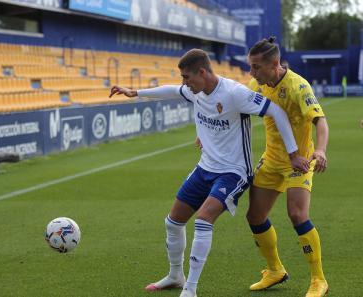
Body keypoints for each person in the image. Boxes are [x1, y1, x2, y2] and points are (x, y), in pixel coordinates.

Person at [110, 49, 307, 297]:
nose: (184, 83)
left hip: (234, 172)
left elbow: (276, 111)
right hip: (205, 168)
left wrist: (293, 153)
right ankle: (175, 276)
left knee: (203, 220)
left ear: (202, 72)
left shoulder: (235, 93)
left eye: (187, 77)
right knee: (173, 222)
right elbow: (172, 90)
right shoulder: (196, 91)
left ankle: (190, 289)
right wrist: (135, 92)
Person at [246, 37, 329, 297]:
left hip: (299, 161)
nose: (252, 72)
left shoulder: (298, 85)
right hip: (271, 160)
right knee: (255, 216)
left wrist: (320, 150)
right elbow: (235, 110)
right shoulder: (256, 85)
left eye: (256, 67)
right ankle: (275, 270)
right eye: (250, 67)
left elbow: (321, 121)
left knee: (297, 215)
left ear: (274, 64)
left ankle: (318, 280)